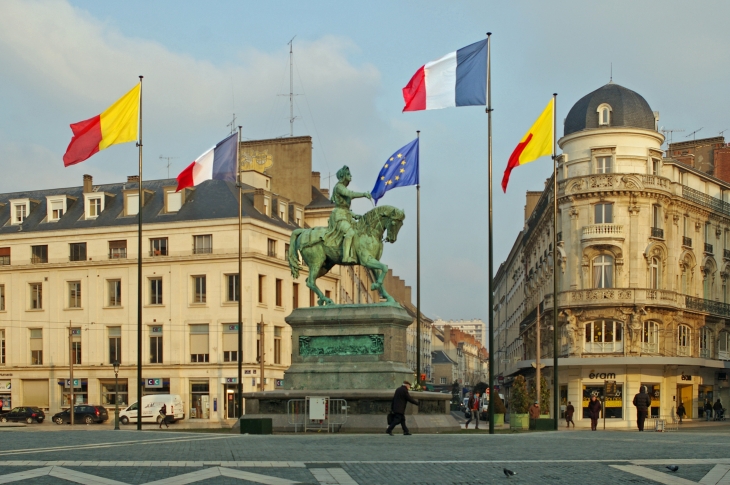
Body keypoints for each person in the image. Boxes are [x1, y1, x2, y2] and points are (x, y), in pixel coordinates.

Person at [323, 165, 372, 263]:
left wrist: (354, 215)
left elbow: (346, 208)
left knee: (358, 232)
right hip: (339, 216)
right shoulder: (339, 187)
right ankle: (346, 257)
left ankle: (353, 254)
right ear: (343, 176)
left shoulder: (342, 188)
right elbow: (350, 194)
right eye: (348, 174)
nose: (351, 176)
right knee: (350, 232)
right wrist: (364, 194)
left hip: (346, 215)